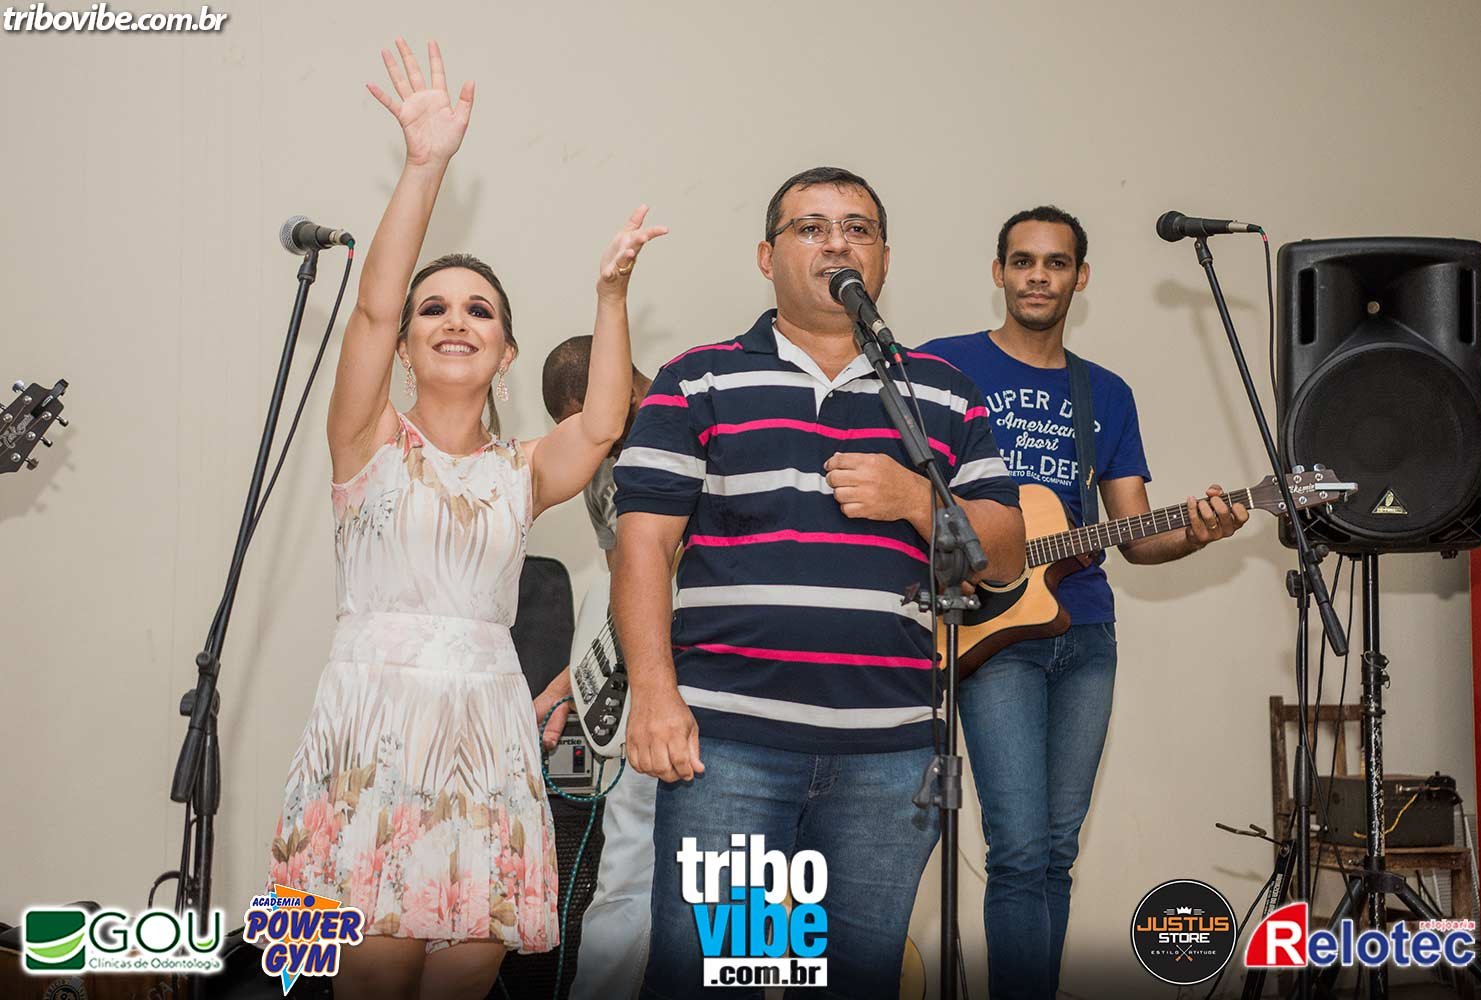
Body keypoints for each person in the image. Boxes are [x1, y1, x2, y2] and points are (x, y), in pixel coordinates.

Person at [265, 38, 665, 1000]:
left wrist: (611, 296)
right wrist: (424, 165)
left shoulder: (522, 472)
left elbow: (601, 422)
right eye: (434, 309)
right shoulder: (364, 442)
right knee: (374, 972)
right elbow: (368, 313)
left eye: (480, 311)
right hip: (369, 730)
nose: (455, 320)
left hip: (486, 732)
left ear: (506, 351)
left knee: (468, 973)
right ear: (405, 347)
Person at [612, 166, 1027, 998]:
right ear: (767, 257)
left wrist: (914, 499)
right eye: (811, 227)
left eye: (857, 228)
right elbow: (643, 547)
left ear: (884, 261)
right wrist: (654, 695)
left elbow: (1009, 556)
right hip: (730, 749)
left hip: (890, 753)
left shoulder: (942, 394)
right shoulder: (697, 380)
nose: (837, 243)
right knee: (716, 980)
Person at [918, 206, 1247, 999]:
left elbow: (1136, 534)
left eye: (1057, 263)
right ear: (998, 272)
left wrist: (1200, 532)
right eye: (1023, 261)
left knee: (1057, 851)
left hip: (1086, 631)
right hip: (992, 632)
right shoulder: (942, 365)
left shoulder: (1105, 392)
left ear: (1081, 278)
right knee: (1019, 849)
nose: (1039, 276)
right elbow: (902, 487)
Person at [530, 336, 659, 1000]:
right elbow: (621, 590)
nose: (593, 443)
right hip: (643, 689)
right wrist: (570, 681)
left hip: (719, 679)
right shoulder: (602, 467)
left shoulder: (696, 420)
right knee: (625, 869)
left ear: (625, 392)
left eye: (594, 422)